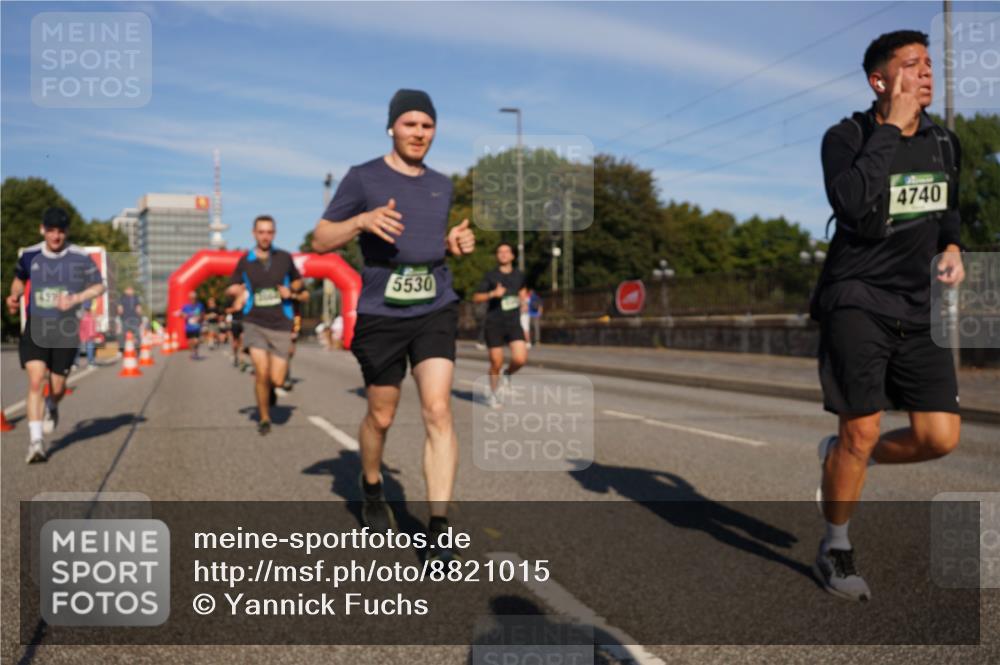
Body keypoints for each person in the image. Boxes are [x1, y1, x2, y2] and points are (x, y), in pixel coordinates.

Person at [810, 30, 965, 602]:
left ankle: (845, 459)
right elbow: (851, 203)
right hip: (857, 298)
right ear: (880, 81)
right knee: (861, 427)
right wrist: (890, 129)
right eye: (911, 64)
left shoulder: (944, 142)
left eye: (928, 63)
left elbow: (949, 207)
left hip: (918, 305)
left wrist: (952, 248)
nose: (925, 72)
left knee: (939, 436)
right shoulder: (846, 137)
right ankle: (835, 546)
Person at [312, 89, 476, 561]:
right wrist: (361, 221)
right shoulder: (362, 177)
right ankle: (371, 486)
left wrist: (451, 246)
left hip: (435, 306)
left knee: (438, 410)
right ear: (391, 127)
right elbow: (321, 239)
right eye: (410, 124)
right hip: (382, 312)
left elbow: (426, 244)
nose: (419, 133)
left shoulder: (442, 185)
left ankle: (438, 528)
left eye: (427, 125)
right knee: (381, 416)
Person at [5, 207, 106, 463]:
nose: (56, 236)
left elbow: (99, 286)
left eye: (60, 231)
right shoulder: (30, 255)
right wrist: (14, 295)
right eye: (51, 231)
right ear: (42, 230)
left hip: (66, 329)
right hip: (37, 326)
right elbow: (19, 279)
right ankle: (36, 442)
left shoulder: (79, 257)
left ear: (67, 232)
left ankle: (52, 404)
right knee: (36, 380)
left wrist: (76, 298)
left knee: (58, 387)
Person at [226, 215, 305, 435]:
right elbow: (232, 286)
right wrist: (235, 291)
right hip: (255, 321)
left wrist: (292, 290)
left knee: (277, 380)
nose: (265, 236)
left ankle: (271, 391)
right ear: (254, 233)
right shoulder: (245, 260)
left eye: (269, 232)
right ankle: (264, 417)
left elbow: (298, 280)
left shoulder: (284, 258)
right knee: (261, 373)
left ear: (274, 234)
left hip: (281, 322)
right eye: (261, 232)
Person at [473, 243, 529, 408]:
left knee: (520, 359)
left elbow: (522, 290)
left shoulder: (519, 275)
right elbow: (476, 297)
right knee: (496, 362)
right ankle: (493, 394)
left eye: (506, 252)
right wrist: (493, 293)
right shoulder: (490, 276)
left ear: (512, 255)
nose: (503, 254)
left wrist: (523, 301)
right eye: (500, 252)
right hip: (495, 323)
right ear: (497, 256)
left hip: (513, 323)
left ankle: (508, 373)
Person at [176, 291, 204, 360]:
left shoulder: (200, 305)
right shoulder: (186, 307)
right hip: (188, 327)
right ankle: (192, 352)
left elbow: (202, 314)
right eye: (192, 298)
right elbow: (180, 314)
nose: (193, 299)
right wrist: (183, 315)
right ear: (189, 299)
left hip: (197, 327)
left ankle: (196, 352)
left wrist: (200, 318)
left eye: (194, 298)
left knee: (196, 341)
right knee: (190, 341)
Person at [78, 303, 99, 367]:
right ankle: (90, 362)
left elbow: (81, 328)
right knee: (90, 348)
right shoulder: (90, 317)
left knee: (80, 348)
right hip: (90, 335)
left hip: (85, 335)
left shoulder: (84, 317)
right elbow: (92, 327)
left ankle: (75, 363)